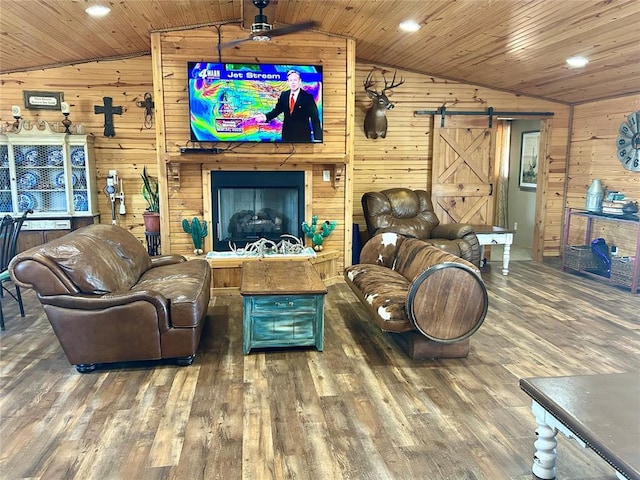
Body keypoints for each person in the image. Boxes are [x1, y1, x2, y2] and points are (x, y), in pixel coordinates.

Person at [253, 70, 322, 142]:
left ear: (300, 81)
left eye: (295, 80)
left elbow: (315, 118)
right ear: (288, 82)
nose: (293, 82)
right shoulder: (284, 95)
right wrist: (265, 117)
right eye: (290, 80)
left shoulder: (307, 97)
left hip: (302, 137)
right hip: (287, 136)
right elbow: (277, 110)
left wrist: (318, 138)